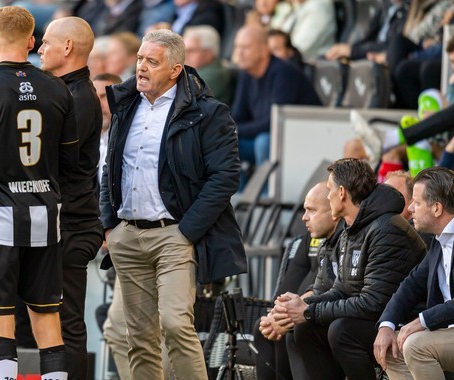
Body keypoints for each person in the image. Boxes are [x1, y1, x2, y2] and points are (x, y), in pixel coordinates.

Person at [100, 29, 246, 379]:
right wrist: (110, 224)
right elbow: (110, 166)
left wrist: (186, 231)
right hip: (128, 235)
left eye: (152, 61)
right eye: (139, 59)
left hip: (174, 236)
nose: (142, 67)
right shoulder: (126, 103)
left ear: (175, 70)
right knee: (138, 338)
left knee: (176, 325)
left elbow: (225, 177)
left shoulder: (208, 113)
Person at [0, 6, 78, 380]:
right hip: (45, 218)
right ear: (32, 42)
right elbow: (69, 160)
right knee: (47, 322)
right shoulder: (58, 87)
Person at [272, 158, 426, 380]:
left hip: (402, 322)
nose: (328, 196)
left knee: (342, 331)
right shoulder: (350, 229)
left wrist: (308, 312)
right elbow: (341, 289)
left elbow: (373, 304)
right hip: (372, 317)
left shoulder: (387, 229)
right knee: (304, 329)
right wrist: (301, 305)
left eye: (329, 190)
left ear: (342, 192)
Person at [38, 16, 103, 380]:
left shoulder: (79, 98)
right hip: (57, 222)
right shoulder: (62, 91)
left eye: (47, 41)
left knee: (67, 322)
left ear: (67, 48)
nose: (40, 48)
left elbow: (54, 163)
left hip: (72, 225)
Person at [373, 167, 454, 379]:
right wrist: (387, 325)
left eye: (417, 203)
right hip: (450, 331)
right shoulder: (440, 236)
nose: (410, 209)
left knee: (415, 345)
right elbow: (412, 283)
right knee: (391, 348)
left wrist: (423, 320)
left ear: (437, 208)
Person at [255, 181, 341, 380]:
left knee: (295, 330)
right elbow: (317, 287)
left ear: (334, 211)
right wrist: (281, 314)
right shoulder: (320, 243)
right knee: (265, 329)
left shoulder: (347, 240)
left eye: (311, 210)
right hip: (318, 310)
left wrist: (289, 317)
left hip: (339, 319)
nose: (304, 218)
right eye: (304, 210)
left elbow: (336, 290)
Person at [232, 25, 320, 170]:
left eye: (245, 47)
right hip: (268, 137)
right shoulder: (246, 73)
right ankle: (234, 191)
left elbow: (275, 123)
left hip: (301, 140)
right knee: (223, 143)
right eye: (237, 47)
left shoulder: (284, 73)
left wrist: (235, 130)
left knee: (265, 141)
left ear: (264, 50)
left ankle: (267, 192)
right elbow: (238, 116)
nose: (239, 53)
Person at [182, 25, 235, 105]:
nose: (185, 55)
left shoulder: (215, 74)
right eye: (184, 50)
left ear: (209, 53)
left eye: (191, 51)